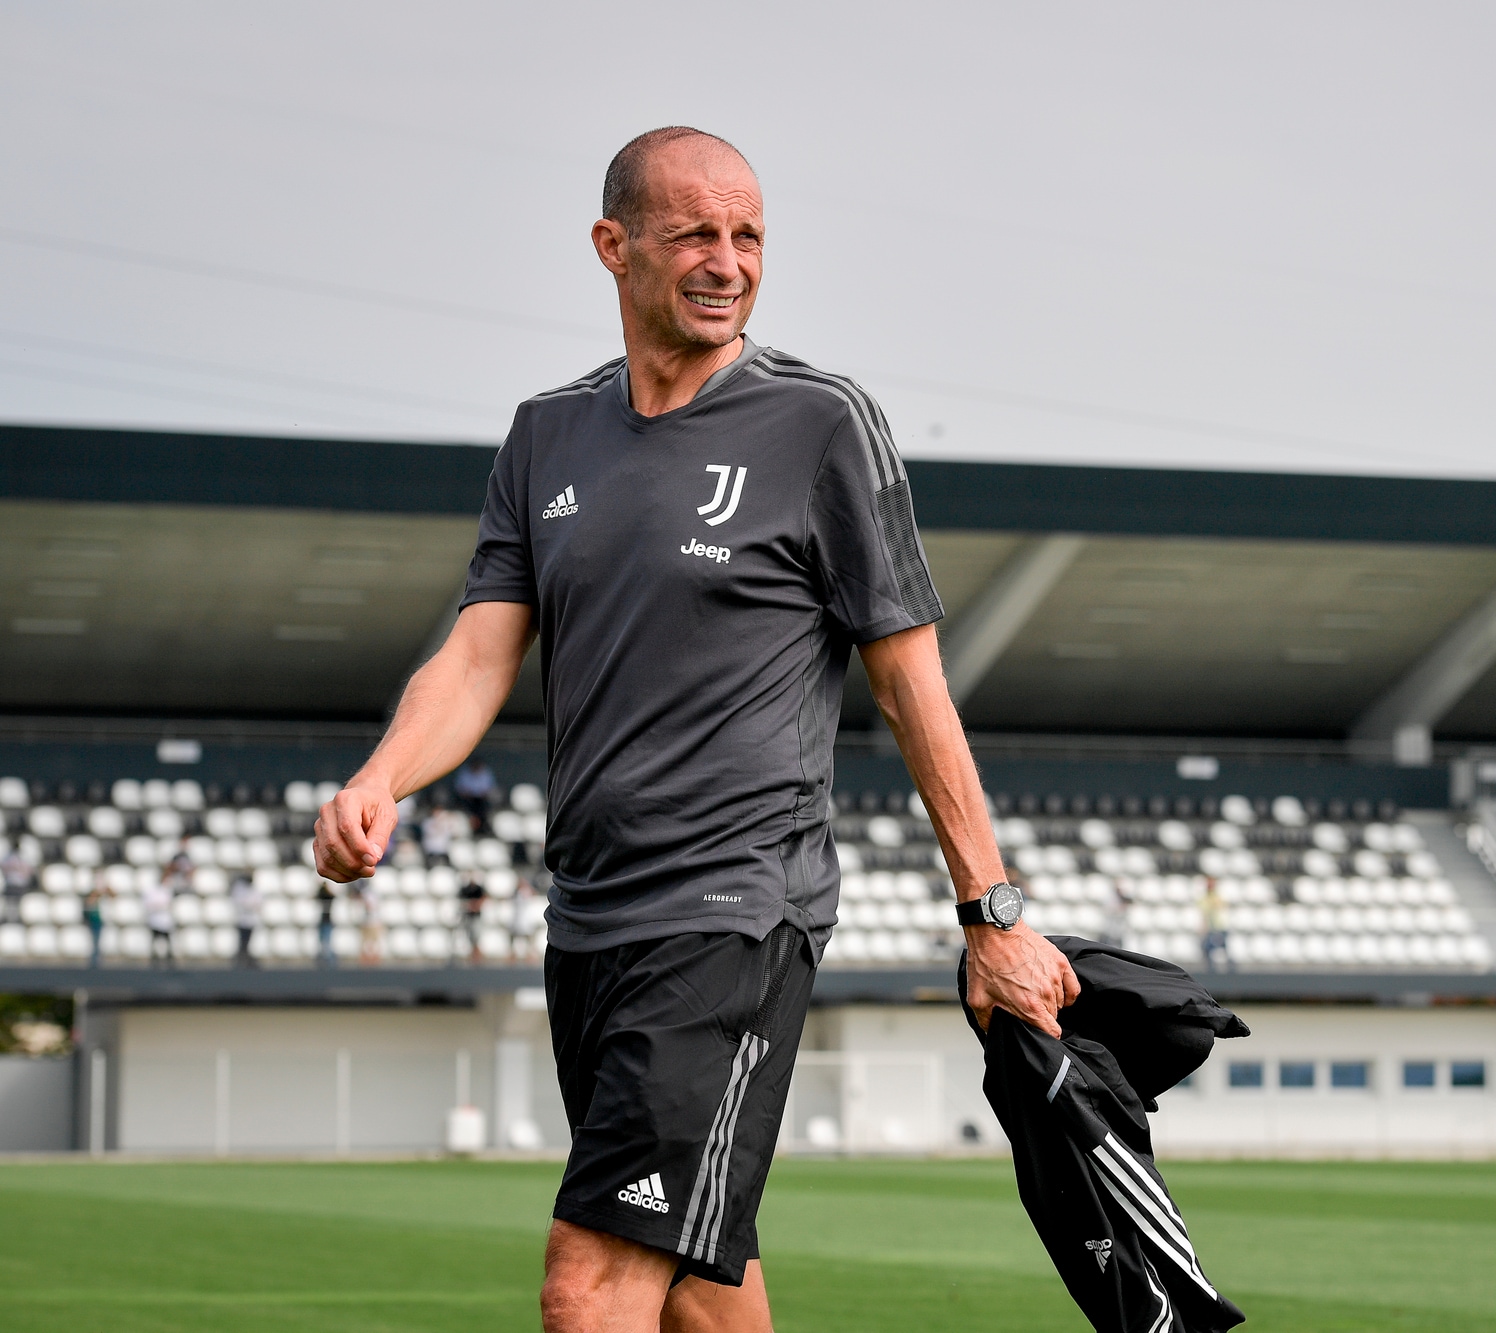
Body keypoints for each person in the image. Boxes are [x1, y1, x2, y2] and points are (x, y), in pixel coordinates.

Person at [314, 126, 1077, 1333]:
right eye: (695, 235)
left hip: (733, 912)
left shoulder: (820, 422)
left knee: (589, 1286)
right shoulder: (545, 434)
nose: (729, 262)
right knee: (697, 1289)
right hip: (589, 919)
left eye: (749, 235)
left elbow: (910, 683)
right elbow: (477, 654)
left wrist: (990, 912)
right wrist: (381, 778)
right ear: (612, 246)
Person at [454, 759, 498, 833]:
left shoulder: (486, 773)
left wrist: (482, 794)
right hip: (467, 799)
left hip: (482, 800)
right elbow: (460, 789)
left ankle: (483, 826)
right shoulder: (464, 773)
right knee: (468, 808)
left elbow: (489, 788)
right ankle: (471, 825)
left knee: (483, 809)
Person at [142, 875, 175, 968]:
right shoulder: (152, 891)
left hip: (165, 921)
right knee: (155, 940)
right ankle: (154, 958)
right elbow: (149, 904)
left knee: (167, 940)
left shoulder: (167, 891)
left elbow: (168, 904)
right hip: (155, 920)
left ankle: (169, 958)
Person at [229, 871, 260, 968]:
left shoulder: (254, 890)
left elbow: (257, 903)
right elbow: (240, 902)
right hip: (242, 920)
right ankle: (241, 959)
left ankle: (246, 959)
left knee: (247, 941)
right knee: (242, 941)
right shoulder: (239, 888)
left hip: (250, 921)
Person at [1200, 878, 1232, 973]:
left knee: (1222, 947)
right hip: (1212, 928)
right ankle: (1211, 969)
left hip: (1219, 927)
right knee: (1208, 949)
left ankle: (1229, 968)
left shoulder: (1217, 897)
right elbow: (1205, 914)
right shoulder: (1206, 898)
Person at [458, 873, 487, 962]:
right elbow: (462, 901)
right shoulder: (465, 889)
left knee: (476, 937)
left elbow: (483, 898)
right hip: (468, 917)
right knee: (470, 937)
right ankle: (474, 956)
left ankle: (477, 956)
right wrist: (470, 905)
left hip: (476, 917)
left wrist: (476, 905)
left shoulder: (478, 889)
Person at [83, 874, 107, 968]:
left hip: (99, 922)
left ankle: (96, 959)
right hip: (93, 922)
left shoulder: (102, 899)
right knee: (94, 941)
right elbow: (88, 905)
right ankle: (94, 959)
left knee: (97, 941)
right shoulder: (91, 898)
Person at [314, 881, 337, 968]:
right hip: (323, 921)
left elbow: (332, 896)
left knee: (327, 941)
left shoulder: (328, 896)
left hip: (327, 921)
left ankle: (329, 961)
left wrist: (326, 889)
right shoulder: (323, 895)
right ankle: (324, 961)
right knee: (322, 941)